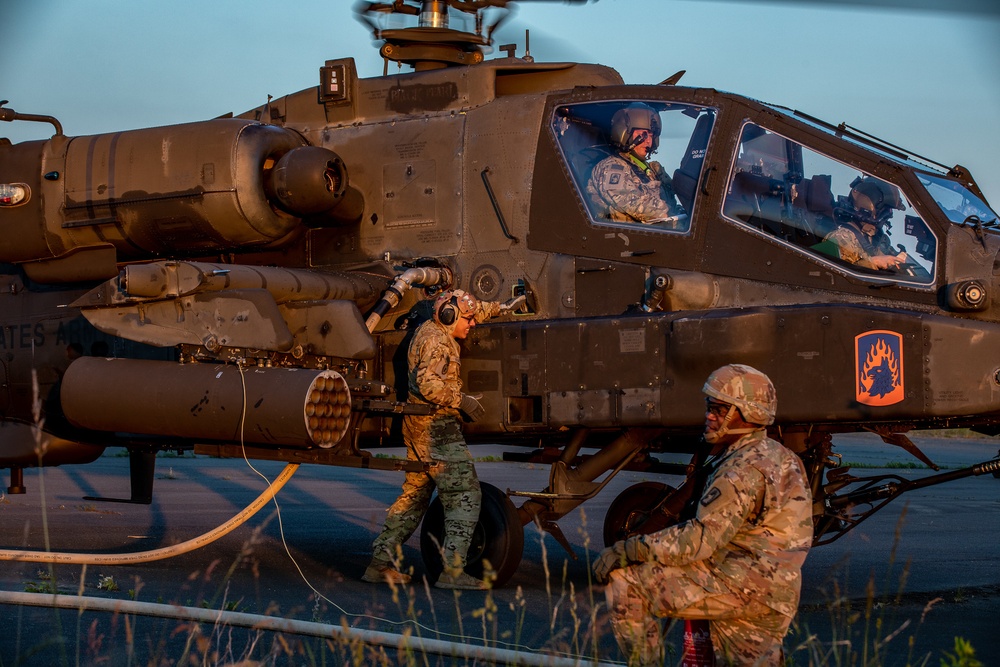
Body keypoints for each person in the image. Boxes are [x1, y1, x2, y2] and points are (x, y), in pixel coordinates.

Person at [594, 364, 813, 665]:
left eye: (721, 409)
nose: (710, 416)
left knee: (626, 583)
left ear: (748, 414)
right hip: (776, 589)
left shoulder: (740, 470)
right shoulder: (779, 455)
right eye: (710, 407)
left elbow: (699, 540)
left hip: (739, 585)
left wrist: (629, 549)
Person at [363, 289, 524, 590]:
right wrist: (461, 400)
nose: (472, 324)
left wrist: (505, 307)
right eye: (468, 319)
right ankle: (452, 572)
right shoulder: (437, 341)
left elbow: (475, 308)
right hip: (435, 427)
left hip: (420, 425)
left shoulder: (437, 324)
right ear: (449, 316)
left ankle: (378, 565)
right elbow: (428, 385)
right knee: (465, 494)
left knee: (415, 497)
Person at [586, 102, 685, 226]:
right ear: (624, 133)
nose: (648, 141)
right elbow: (633, 204)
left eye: (651, 135)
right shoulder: (611, 167)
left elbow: (672, 201)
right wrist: (671, 216)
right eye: (642, 135)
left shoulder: (653, 170)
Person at [823, 176, 907, 270]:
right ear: (868, 207)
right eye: (885, 210)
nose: (888, 215)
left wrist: (897, 259)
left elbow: (886, 258)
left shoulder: (876, 238)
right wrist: (874, 262)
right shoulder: (840, 238)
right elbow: (831, 274)